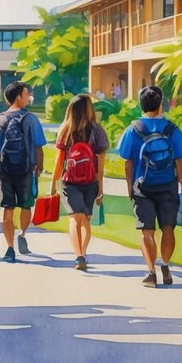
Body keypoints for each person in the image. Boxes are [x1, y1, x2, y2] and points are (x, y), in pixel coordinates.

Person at [117, 85, 182, 288]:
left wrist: (129, 188)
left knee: (146, 232)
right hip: (168, 186)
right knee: (168, 229)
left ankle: (151, 273)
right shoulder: (171, 129)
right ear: (160, 104)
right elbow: (181, 161)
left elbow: (127, 162)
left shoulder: (133, 130)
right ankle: (165, 265)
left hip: (142, 187)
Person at [48, 93, 108, 271]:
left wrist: (53, 184)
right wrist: (100, 188)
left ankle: (79, 256)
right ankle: (83, 252)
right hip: (90, 182)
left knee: (75, 219)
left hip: (70, 181)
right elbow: (101, 165)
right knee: (85, 220)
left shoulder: (65, 130)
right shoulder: (97, 131)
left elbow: (59, 161)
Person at [0, 82, 46, 263]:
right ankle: (22, 234)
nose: (28, 96)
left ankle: (9, 247)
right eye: (26, 94)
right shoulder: (31, 119)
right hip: (26, 169)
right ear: (18, 97)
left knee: (7, 208)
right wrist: (39, 166)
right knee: (25, 205)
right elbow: (38, 146)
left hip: (4, 169)